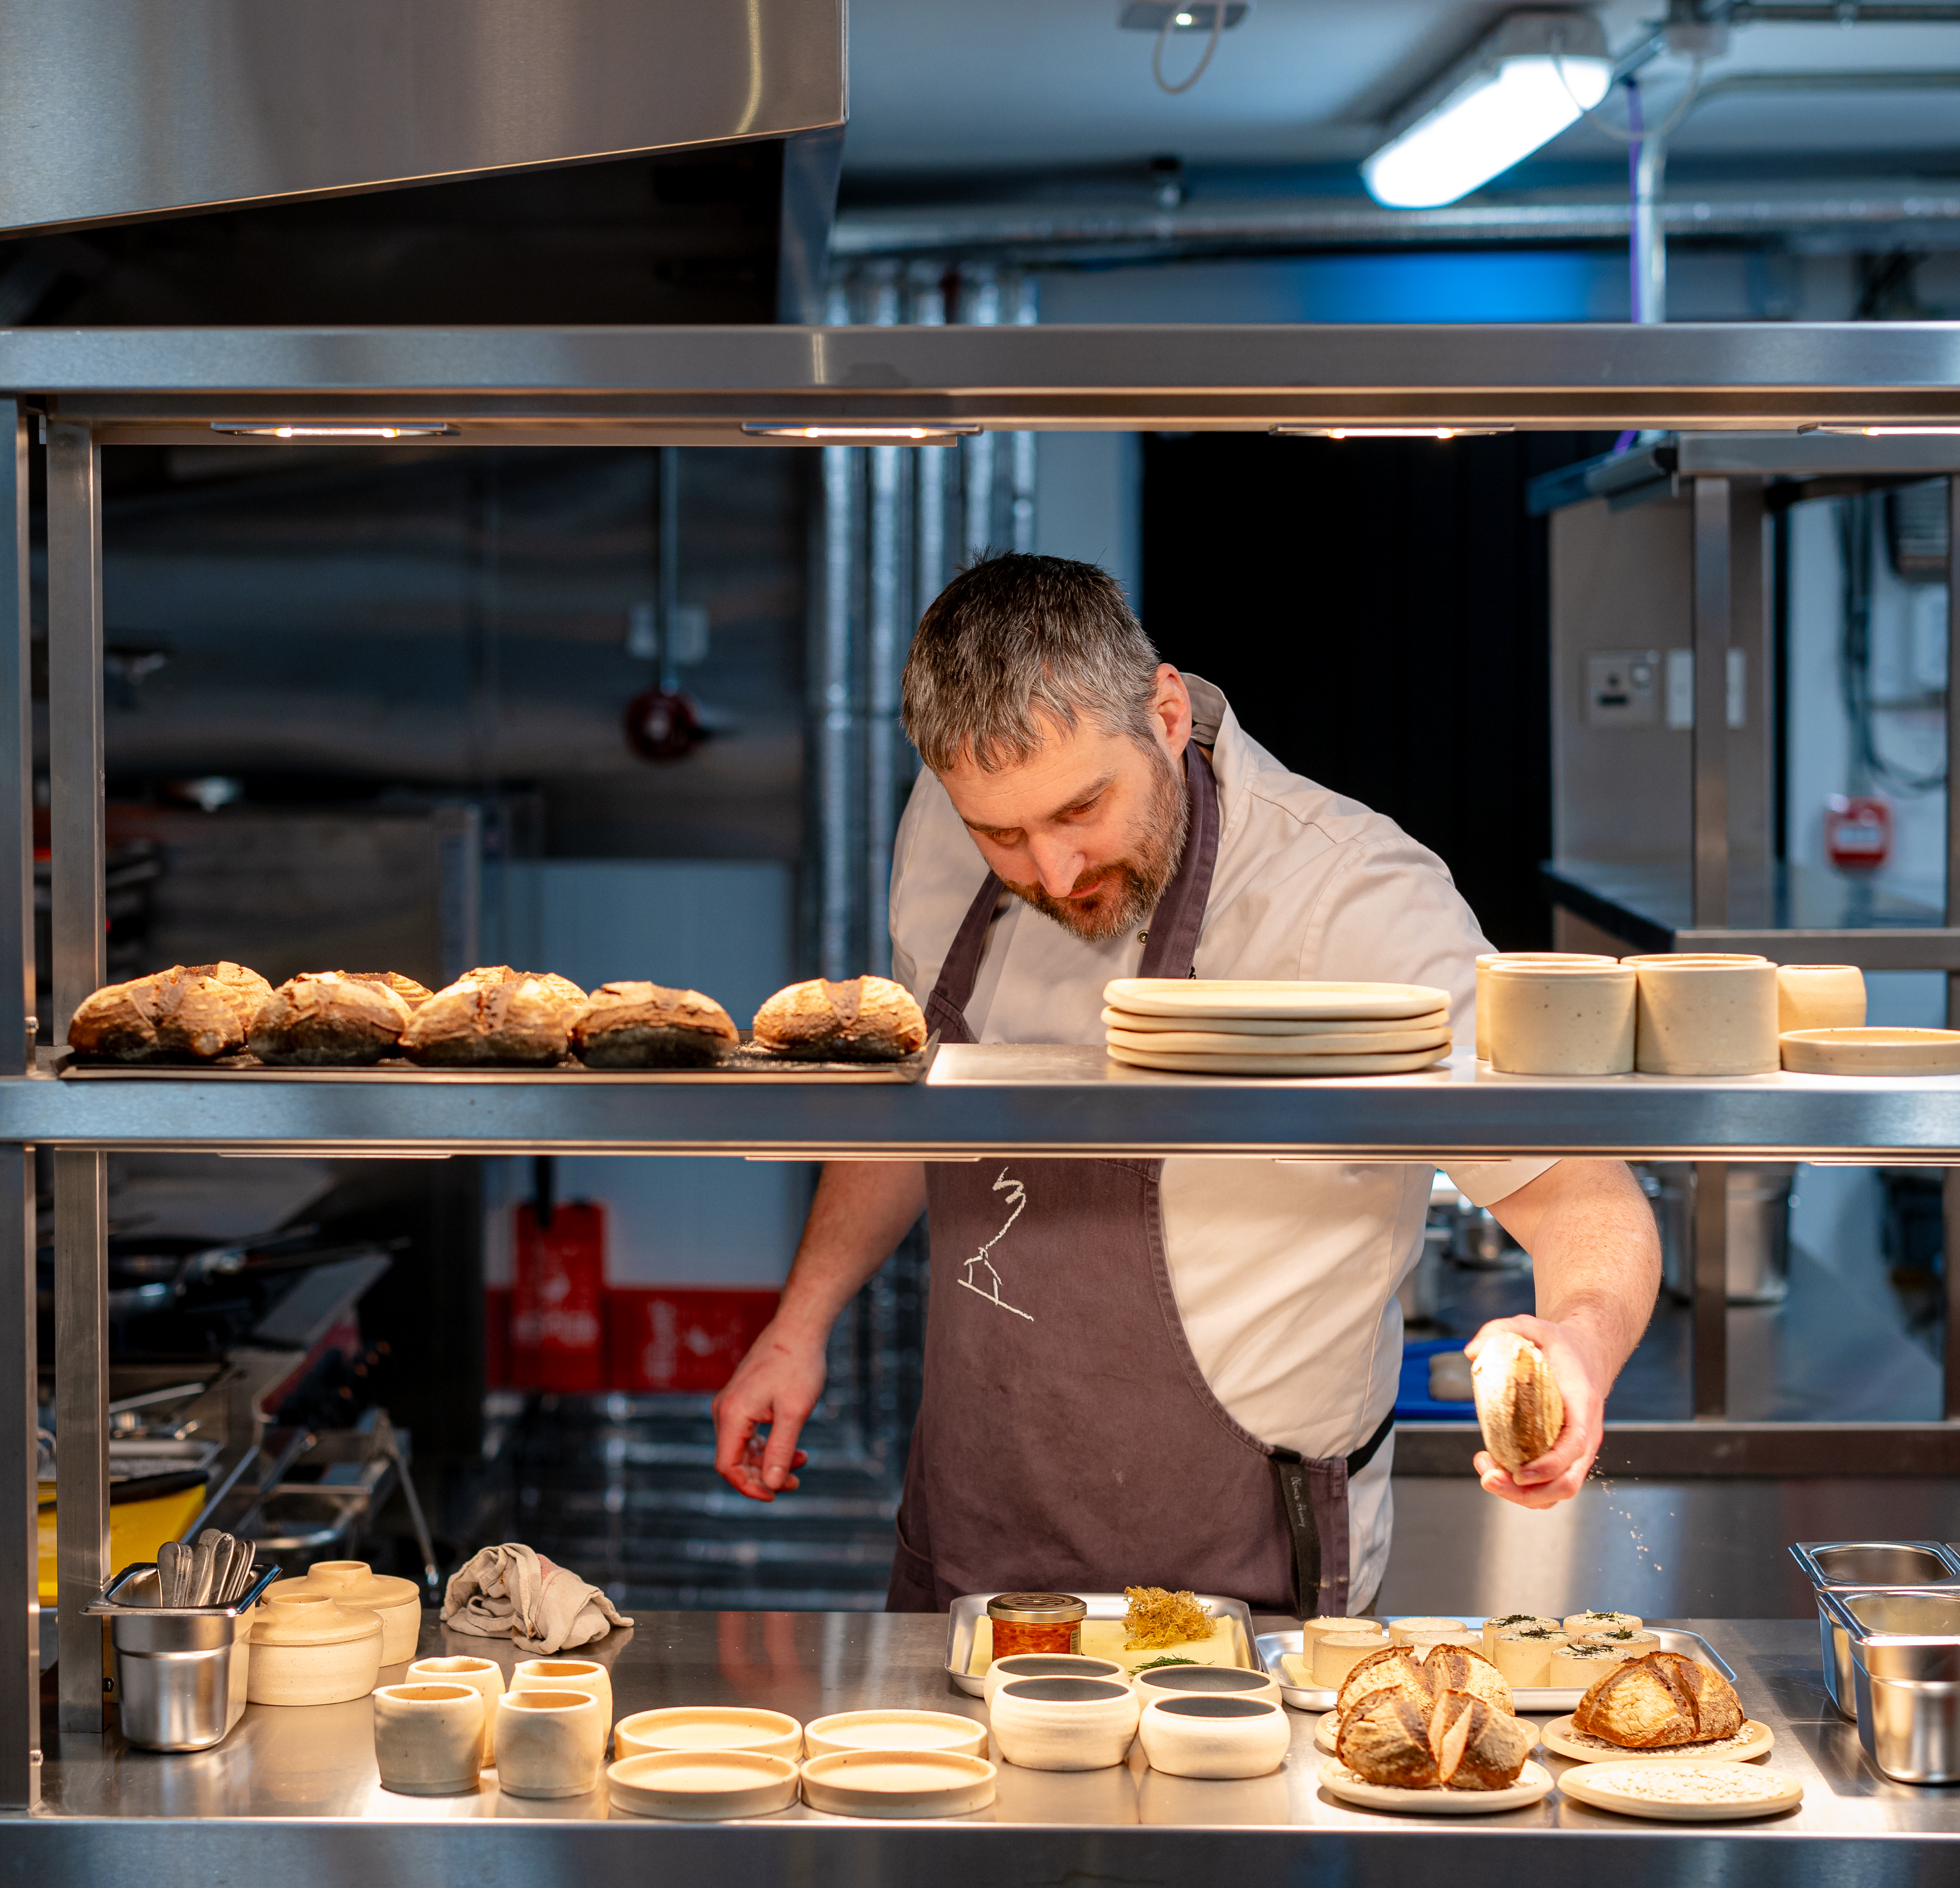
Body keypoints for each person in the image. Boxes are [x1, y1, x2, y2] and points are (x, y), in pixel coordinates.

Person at [710, 554, 1663, 1616]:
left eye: (1083, 808)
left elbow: (1581, 1189)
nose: (1055, 873)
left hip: (1242, 1552)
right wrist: (801, 1319)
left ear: (1165, 711)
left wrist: (1577, 1338)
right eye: (1003, 834)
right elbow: (917, 1103)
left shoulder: (1351, 896)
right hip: (979, 1524)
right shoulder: (943, 825)